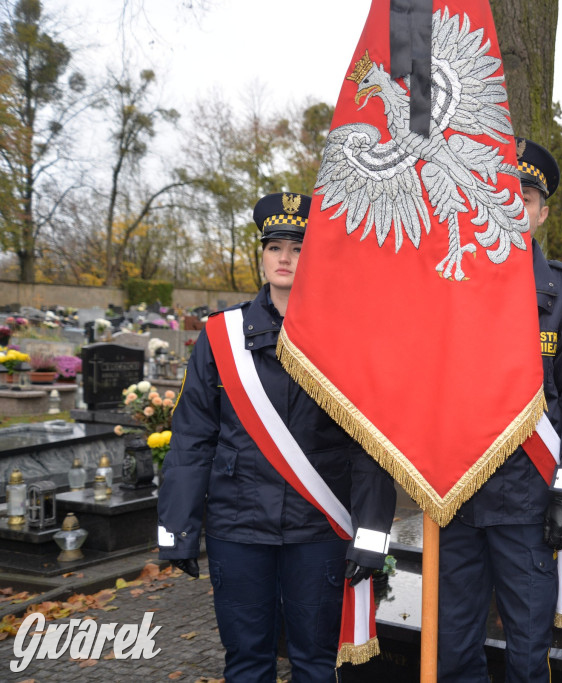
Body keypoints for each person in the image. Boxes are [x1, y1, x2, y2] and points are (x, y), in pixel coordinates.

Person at [157, 192, 397, 681]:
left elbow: (370, 446)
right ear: (262, 255)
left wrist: (371, 536)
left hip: (318, 530)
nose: (285, 257)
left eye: (298, 247)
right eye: (275, 247)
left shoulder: (347, 339)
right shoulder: (219, 337)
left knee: (314, 661)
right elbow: (192, 436)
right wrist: (178, 527)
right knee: (246, 661)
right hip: (238, 528)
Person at [437, 138, 562, 683]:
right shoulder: (443, 282)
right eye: (498, 193)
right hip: (452, 498)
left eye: (525, 197)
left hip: (529, 502)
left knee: (529, 656)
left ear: (540, 212)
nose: (511, 206)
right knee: (453, 651)